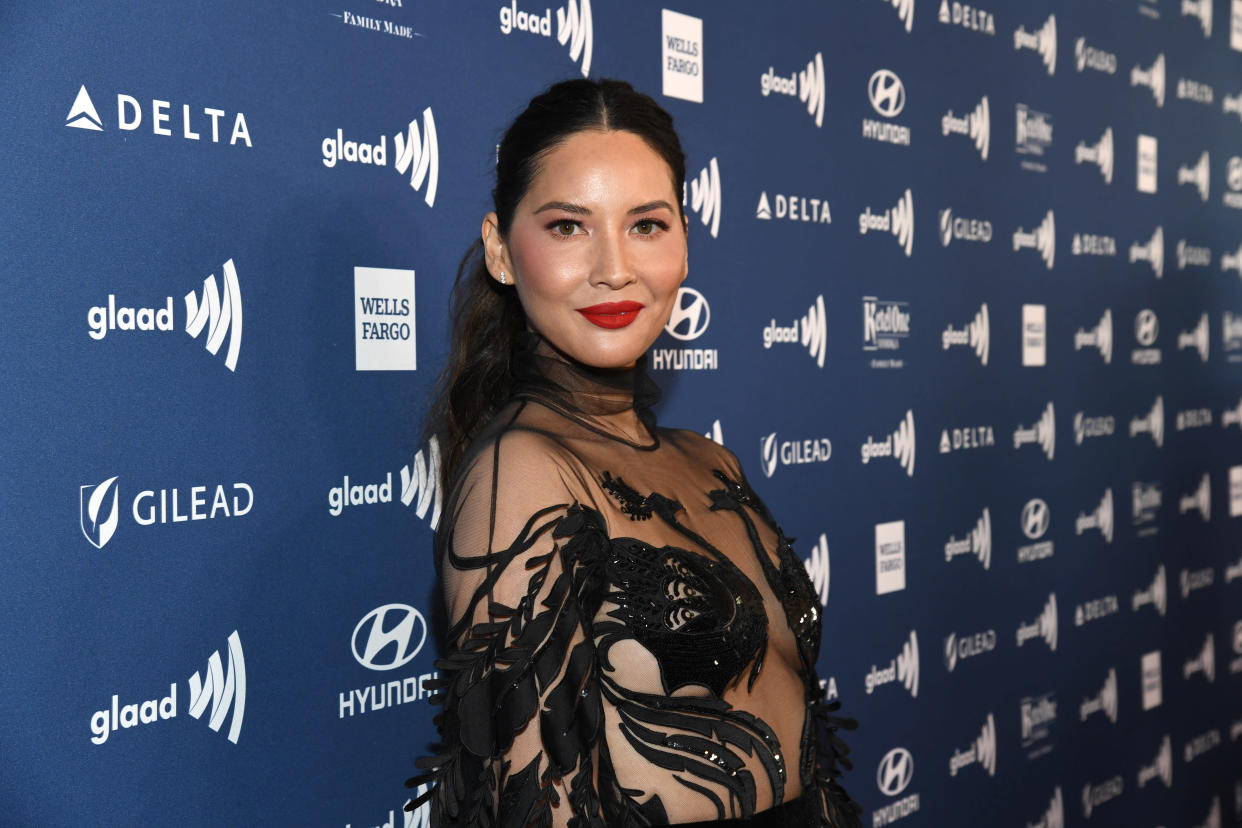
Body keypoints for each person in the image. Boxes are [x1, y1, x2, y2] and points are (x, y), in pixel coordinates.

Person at [407, 78, 861, 828]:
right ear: (501, 250)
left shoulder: (714, 465)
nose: (614, 267)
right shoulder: (523, 472)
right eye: (568, 227)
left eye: (646, 225)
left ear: (684, 238)